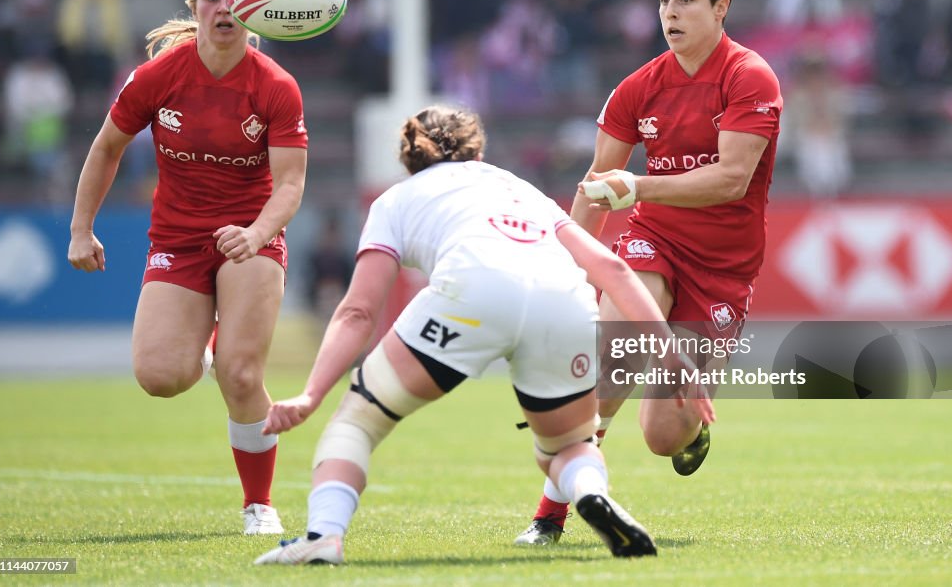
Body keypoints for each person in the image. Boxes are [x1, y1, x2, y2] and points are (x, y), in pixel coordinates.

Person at [252, 104, 715, 565]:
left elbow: (357, 312)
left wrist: (311, 395)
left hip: (474, 288)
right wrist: (670, 351)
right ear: (476, 150)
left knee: (357, 420)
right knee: (570, 445)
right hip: (563, 297)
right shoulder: (516, 186)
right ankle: (592, 493)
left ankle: (323, 537)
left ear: (408, 156)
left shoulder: (396, 199)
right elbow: (611, 268)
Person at [515, 0, 782, 545]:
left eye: (686, 0)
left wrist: (636, 185)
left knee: (664, 434)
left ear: (721, 8)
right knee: (616, 357)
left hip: (724, 267)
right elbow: (596, 182)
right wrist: (569, 272)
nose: (671, 12)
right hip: (652, 239)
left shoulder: (749, 76)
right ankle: (550, 514)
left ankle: (692, 428)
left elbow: (730, 180)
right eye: (664, 0)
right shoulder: (637, 87)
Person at [66, 0, 309, 535]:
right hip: (177, 236)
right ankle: (205, 351)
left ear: (254, 8)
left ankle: (259, 505)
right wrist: (80, 228)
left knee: (243, 376)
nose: (223, 8)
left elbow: (292, 183)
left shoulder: (276, 86)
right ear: (195, 7)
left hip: (251, 238)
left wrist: (256, 234)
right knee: (160, 377)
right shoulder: (158, 76)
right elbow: (105, 148)